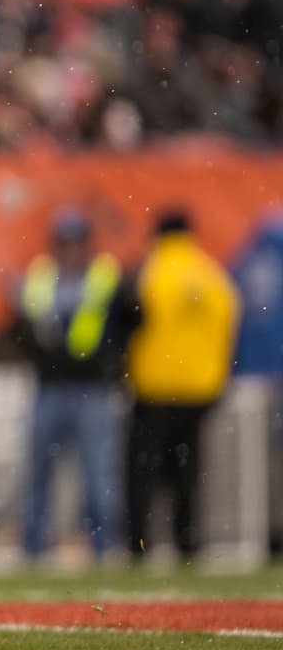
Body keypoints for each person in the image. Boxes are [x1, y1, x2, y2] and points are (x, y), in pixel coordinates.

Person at [10, 208, 134, 562]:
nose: (71, 250)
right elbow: (22, 325)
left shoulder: (104, 277)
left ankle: (104, 546)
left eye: (77, 242)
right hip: (50, 386)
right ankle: (34, 547)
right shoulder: (41, 279)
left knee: (98, 475)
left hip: (91, 387)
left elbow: (128, 316)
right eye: (66, 243)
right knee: (39, 474)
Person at [125, 208, 240, 561]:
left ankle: (139, 545)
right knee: (188, 471)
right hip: (200, 391)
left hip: (154, 390)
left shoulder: (148, 272)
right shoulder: (211, 275)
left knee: (143, 473)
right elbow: (230, 322)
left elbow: (129, 319)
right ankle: (187, 541)